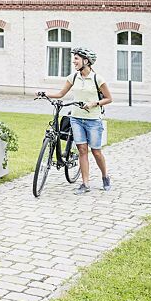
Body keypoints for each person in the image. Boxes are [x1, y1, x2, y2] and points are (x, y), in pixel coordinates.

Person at [39, 47, 113, 194]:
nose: (74, 61)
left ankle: (105, 176)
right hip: (76, 119)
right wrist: (44, 93)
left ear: (86, 61)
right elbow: (61, 93)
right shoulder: (73, 77)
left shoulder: (97, 79)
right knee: (82, 150)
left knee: (96, 152)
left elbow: (109, 98)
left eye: (77, 59)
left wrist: (94, 103)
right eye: (74, 58)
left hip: (93, 120)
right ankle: (85, 184)